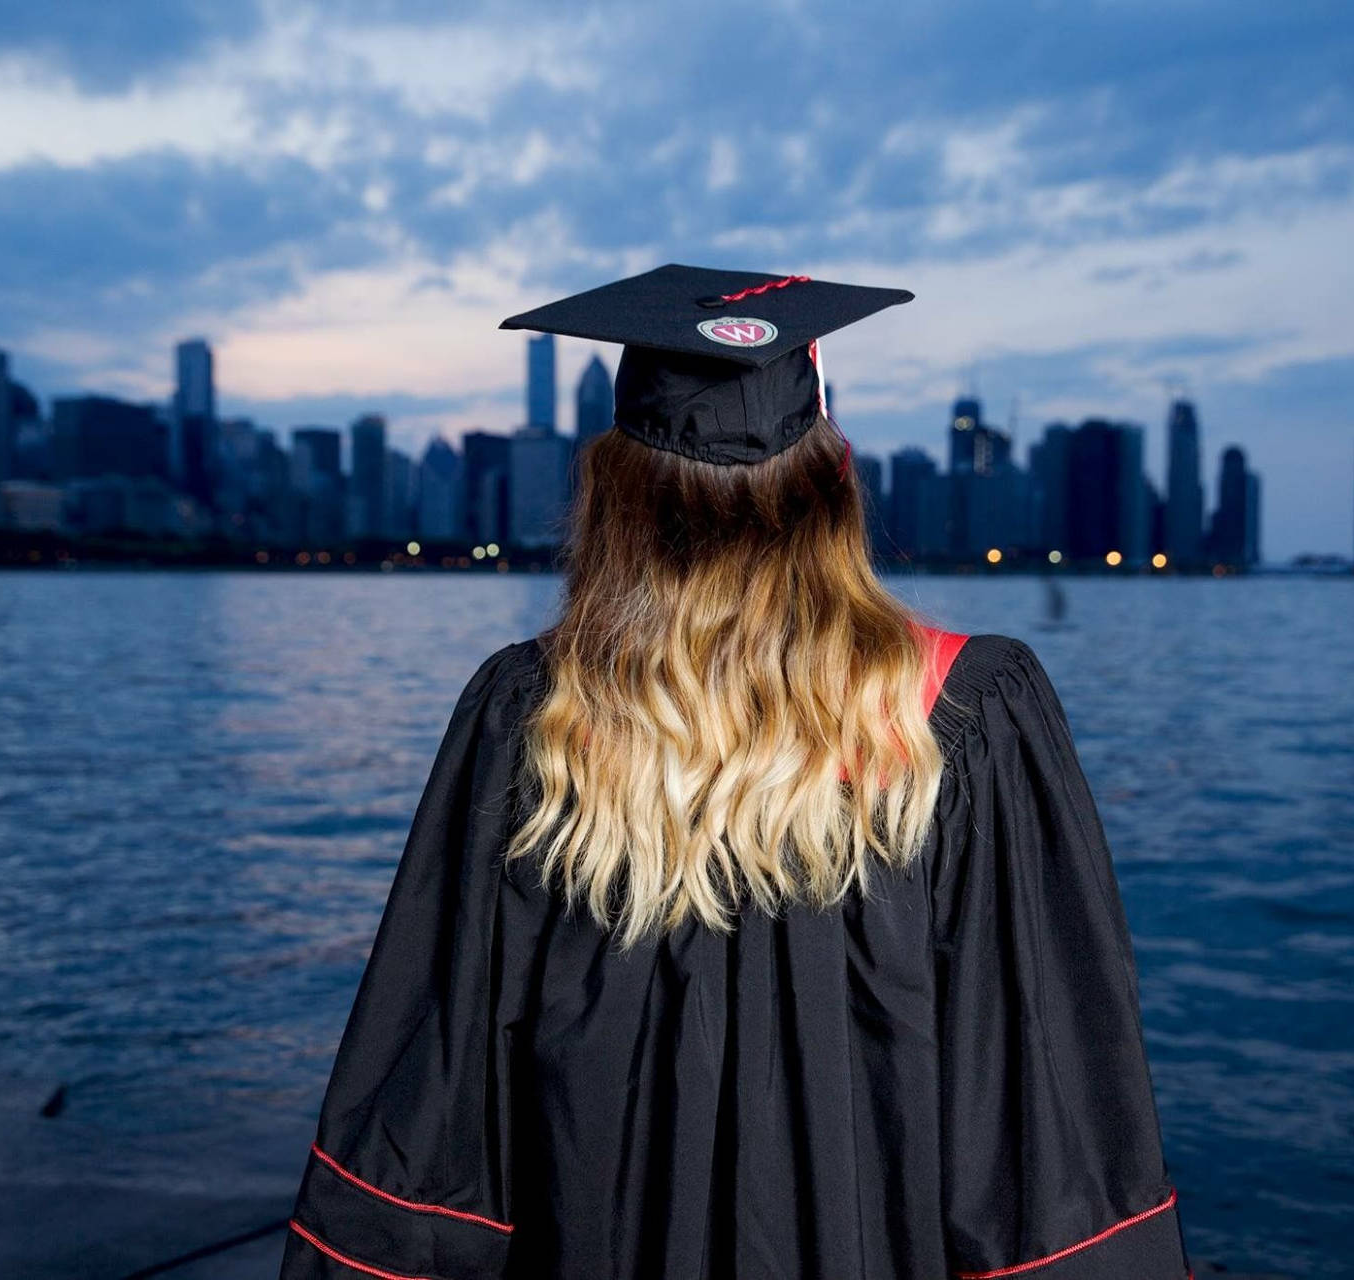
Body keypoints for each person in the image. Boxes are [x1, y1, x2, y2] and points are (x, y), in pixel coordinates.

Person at [278, 265, 1189, 1280]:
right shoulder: (966, 715)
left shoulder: (530, 716)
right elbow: (1043, 1139)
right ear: (832, 473)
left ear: (615, 492)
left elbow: (430, 1106)